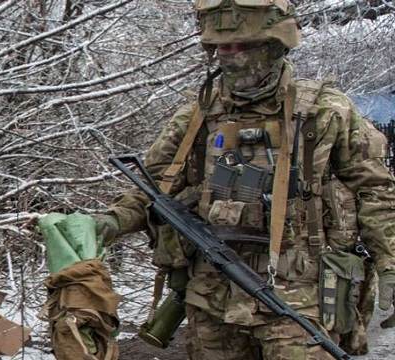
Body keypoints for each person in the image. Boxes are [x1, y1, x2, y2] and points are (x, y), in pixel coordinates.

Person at [92, 0, 395, 358]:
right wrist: (110, 222)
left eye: (245, 46)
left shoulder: (326, 112)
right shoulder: (197, 117)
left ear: (275, 45)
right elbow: (153, 189)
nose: (232, 56)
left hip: (301, 297)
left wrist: (390, 262)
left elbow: (375, 190)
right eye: (223, 47)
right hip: (212, 295)